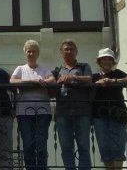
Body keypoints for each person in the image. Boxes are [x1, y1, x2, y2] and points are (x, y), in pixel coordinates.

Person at [10, 40, 55, 170]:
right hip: (24, 112)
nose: (31, 53)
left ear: (38, 54)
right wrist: (32, 81)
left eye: (34, 51)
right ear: (25, 53)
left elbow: (52, 79)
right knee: (28, 144)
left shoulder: (44, 68)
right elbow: (12, 81)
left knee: (41, 144)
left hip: (43, 111)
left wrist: (42, 81)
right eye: (29, 51)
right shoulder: (20, 68)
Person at [91, 48, 127, 170]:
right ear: (99, 62)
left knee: (118, 148)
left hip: (117, 114)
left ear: (112, 62)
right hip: (99, 116)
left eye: (109, 59)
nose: (107, 61)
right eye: (104, 59)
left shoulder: (117, 73)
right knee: (105, 149)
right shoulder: (94, 77)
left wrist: (113, 81)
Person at [53, 40, 93, 170]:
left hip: (82, 111)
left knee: (84, 146)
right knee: (66, 147)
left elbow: (89, 79)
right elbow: (51, 89)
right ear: (61, 52)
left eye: (72, 49)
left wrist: (72, 78)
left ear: (76, 52)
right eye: (66, 49)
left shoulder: (83, 66)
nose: (69, 51)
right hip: (63, 112)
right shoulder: (57, 70)